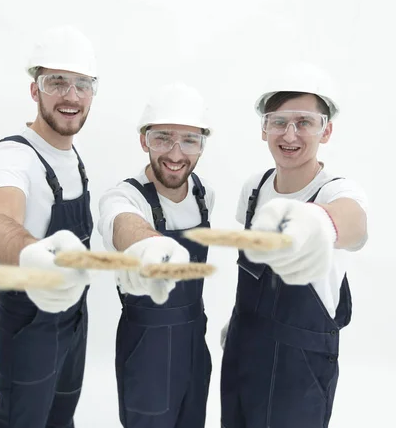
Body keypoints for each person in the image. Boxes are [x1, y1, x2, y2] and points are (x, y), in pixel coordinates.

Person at [220, 62, 369, 428]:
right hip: (243, 350)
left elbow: (355, 224)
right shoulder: (254, 189)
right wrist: (239, 323)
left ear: (326, 130)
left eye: (304, 122)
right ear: (264, 129)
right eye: (278, 122)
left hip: (300, 366)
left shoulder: (336, 190)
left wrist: (319, 221)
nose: (290, 134)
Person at [0, 25, 99, 428]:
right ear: (35, 90)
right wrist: (33, 253)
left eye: (81, 84)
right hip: (31, 324)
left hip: (75, 319)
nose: (71, 95)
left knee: (61, 416)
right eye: (57, 83)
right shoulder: (14, 156)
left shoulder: (73, 154)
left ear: (92, 92)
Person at [98, 82, 215, 428]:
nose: (176, 154)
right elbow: (122, 225)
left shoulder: (204, 195)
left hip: (196, 343)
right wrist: (149, 246)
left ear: (202, 145)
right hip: (147, 350)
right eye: (163, 138)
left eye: (189, 140)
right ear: (144, 140)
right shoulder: (124, 197)